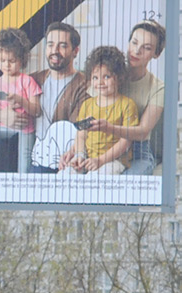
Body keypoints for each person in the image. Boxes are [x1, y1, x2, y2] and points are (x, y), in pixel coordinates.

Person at [89, 19, 166, 176]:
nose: (137, 51)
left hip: (138, 152)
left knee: (123, 187)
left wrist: (109, 128)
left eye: (147, 48)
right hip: (102, 145)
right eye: (134, 42)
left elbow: (143, 132)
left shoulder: (158, 87)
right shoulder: (106, 76)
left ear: (156, 54)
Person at [59, 46, 137, 175]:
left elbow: (126, 141)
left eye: (106, 77)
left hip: (114, 160)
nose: (100, 82)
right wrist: (79, 155)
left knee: (95, 178)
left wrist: (100, 160)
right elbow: (81, 135)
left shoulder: (127, 105)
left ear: (120, 77)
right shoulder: (87, 105)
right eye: (95, 78)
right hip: (88, 158)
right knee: (63, 175)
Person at [26, 22, 89, 173]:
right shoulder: (33, 80)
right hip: (36, 162)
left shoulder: (85, 85)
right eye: (50, 45)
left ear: (75, 51)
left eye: (62, 45)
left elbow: (81, 129)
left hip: (67, 165)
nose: (54, 51)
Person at [0, 27, 41, 169]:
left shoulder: (27, 81)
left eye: (11, 60)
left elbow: (36, 110)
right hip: (1, 132)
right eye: (2, 60)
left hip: (25, 132)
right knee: (0, 166)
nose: (7, 64)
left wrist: (20, 100)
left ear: (21, 59)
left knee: (24, 167)